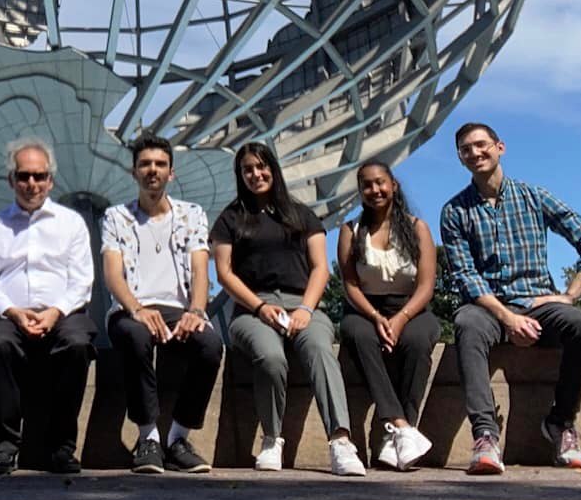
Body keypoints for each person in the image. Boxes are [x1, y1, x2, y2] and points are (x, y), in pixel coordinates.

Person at [438, 122, 581, 474]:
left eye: (481, 145)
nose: (475, 153)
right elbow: (465, 275)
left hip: (538, 302)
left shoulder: (534, 197)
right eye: (466, 149)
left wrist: (569, 295)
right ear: (460, 158)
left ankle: (561, 422)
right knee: (466, 324)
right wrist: (508, 318)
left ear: (500, 147)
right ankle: (485, 435)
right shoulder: (454, 212)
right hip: (489, 307)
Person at [210, 140, 365, 476]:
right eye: (248, 169)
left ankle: (340, 440)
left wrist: (306, 310)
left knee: (320, 350)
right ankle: (271, 438)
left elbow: (320, 268)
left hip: (302, 303)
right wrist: (260, 307)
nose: (256, 174)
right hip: (252, 308)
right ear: (240, 175)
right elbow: (224, 273)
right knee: (270, 357)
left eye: (261, 166)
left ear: (273, 169)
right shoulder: (230, 219)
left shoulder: (301, 215)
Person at [0, 138, 95, 477]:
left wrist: (55, 312)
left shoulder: (71, 223)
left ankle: (62, 446)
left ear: (50, 180)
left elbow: (82, 281)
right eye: (24, 176)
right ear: (11, 180)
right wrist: (13, 312)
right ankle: (4, 444)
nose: (32, 183)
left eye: (39, 176)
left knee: (77, 344)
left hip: (63, 313)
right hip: (9, 315)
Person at [100, 132, 222, 474]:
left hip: (179, 309)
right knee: (136, 337)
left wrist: (196, 311)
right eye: (145, 164)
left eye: (160, 164)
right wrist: (137, 310)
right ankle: (148, 438)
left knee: (210, 346)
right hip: (130, 308)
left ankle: (178, 439)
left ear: (171, 172)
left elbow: (201, 271)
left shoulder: (192, 214)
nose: (152, 169)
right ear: (134, 172)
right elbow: (113, 275)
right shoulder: (115, 217)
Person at [335, 161, 440, 471]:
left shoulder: (417, 228)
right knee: (359, 336)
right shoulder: (350, 231)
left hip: (411, 306)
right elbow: (350, 284)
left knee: (418, 341)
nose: (374, 190)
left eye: (380, 182)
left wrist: (401, 318)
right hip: (364, 309)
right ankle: (402, 426)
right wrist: (375, 316)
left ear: (393, 185)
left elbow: (427, 285)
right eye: (366, 185)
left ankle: (396, 438)